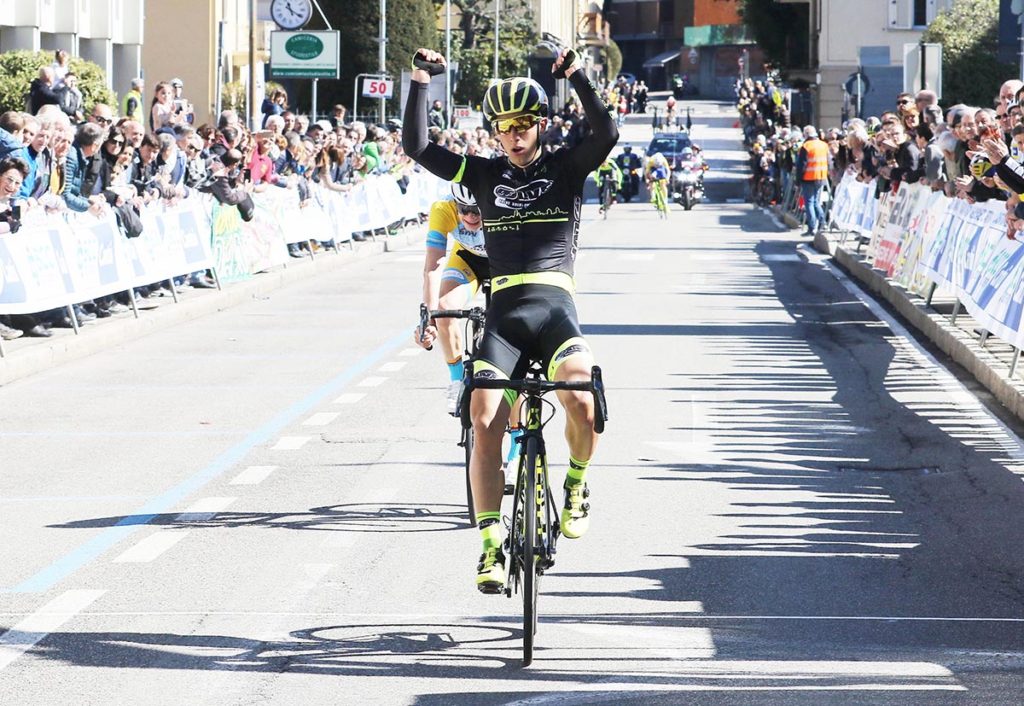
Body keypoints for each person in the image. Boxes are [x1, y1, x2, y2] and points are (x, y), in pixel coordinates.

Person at [403, 46, 617, 593]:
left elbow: (607, 133)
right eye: (505, 127)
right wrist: (421, 80)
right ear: (495, 132)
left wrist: (577, 77)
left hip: (555, 309)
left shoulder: (567, 166)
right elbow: (418, 146)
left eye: (524, 124)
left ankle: (575, 483)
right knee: (482, 417)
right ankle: (490, 545)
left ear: (540, 126)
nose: (515, 134)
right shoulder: (481, 174)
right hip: (504, 317)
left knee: (581, 398)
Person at [415, 184, 490, 413]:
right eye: (464, 209)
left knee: (508, 342)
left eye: (476, 210)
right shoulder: (442, 209)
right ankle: (458, 380)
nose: (470, 216)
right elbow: (432, 267)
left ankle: (518, 436)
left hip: (505, 263)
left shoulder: (502, 206)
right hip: (467, 259)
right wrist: (428, 320)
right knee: (445, 308)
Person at [794, 125, 828, 235]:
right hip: (821, 176)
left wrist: (798, 180)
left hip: (808, 177)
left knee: (809, 202)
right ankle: (822, 223)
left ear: (806, 134)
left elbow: (801, 165)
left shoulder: (806, 146)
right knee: (816, 202)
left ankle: (812, 227)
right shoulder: (824, 145)